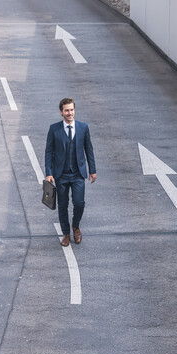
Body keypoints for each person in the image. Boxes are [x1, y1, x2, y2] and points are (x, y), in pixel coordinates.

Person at [45, 98, 97, 246]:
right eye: (67, 110)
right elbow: (49, 152)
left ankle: (76, 226)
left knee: (79, 203)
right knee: (62, 205)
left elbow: (89, 150)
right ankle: (66, 233)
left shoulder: (83, 127)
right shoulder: (54, 129)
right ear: (61, 112)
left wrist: (92, 170)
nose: (70, 113)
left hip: (78, 173)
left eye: (72, 110)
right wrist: (49, 172)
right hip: (61, 174)